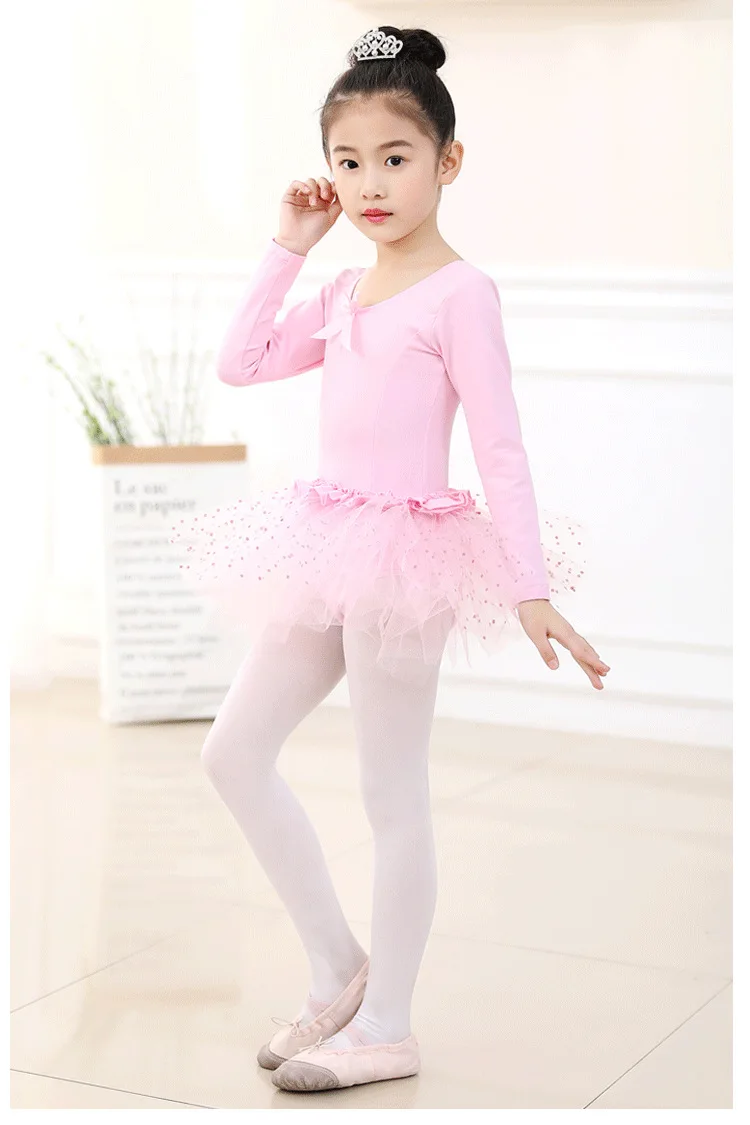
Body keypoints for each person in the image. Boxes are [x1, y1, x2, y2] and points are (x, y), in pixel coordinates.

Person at [170, 24, 610, 1093]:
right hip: (327, 540)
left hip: (407, 553)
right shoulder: (340, 292)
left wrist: (530, 587)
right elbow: (239, 362)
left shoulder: (462, 294)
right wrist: (290, 244)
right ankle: (338, 968)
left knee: (390, 790)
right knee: (232, 752)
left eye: (395, 158)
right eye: (349, 161)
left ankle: (390, 1025)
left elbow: (500, 448)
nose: (370, 184)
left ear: (447, 162)